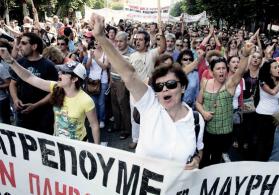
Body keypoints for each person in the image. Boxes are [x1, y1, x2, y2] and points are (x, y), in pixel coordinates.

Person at [90, 14, 204, 169]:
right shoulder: (150, 104)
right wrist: (101, 37)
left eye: (170, 84)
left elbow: (198, 150)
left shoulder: (196, 119)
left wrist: (197, 160)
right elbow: (129, 74)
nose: (164, 89)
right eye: (159, 86)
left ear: (183, 87)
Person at [0, 48, 100, 143]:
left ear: (74, 79)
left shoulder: (86, 100)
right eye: (61, 71)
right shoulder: (56, 87)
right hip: (57, 142)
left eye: (65, 73)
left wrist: (97, 150)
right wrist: (10, 60)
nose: (60, 74)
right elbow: (29, 77)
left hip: (78, 146)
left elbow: (94, 125)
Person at [195, 42, 253, 167]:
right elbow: (198, 103)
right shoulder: (204, 83)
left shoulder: (230, 84)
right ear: (211, 71)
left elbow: (240, 71)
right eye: (218, 68)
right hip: (208, 131)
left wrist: (245, 55)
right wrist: (204, 113)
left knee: (216, 160)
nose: (221, 71)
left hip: (224, 132)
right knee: (204, 158)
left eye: (223, 68)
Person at [9, 32, 58, 135]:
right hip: (23, 114)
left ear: (34, 46)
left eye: (23, 43)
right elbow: (12, 84)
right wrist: (15, 99)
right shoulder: (20, 63)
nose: (19, 46)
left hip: (43, 116)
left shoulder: (49, 66)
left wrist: (36, 105)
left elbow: (55, 91)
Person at [255, 59, 279, 161]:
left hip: (274, 116)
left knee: (271, 142)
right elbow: (273, 92)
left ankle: (267, 165)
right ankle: (258, 164)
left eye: (278, 67)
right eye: (275, 67)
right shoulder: (262, 81)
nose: (278, 69)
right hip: (262, 115)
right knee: (261, 142)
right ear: (269, 71)